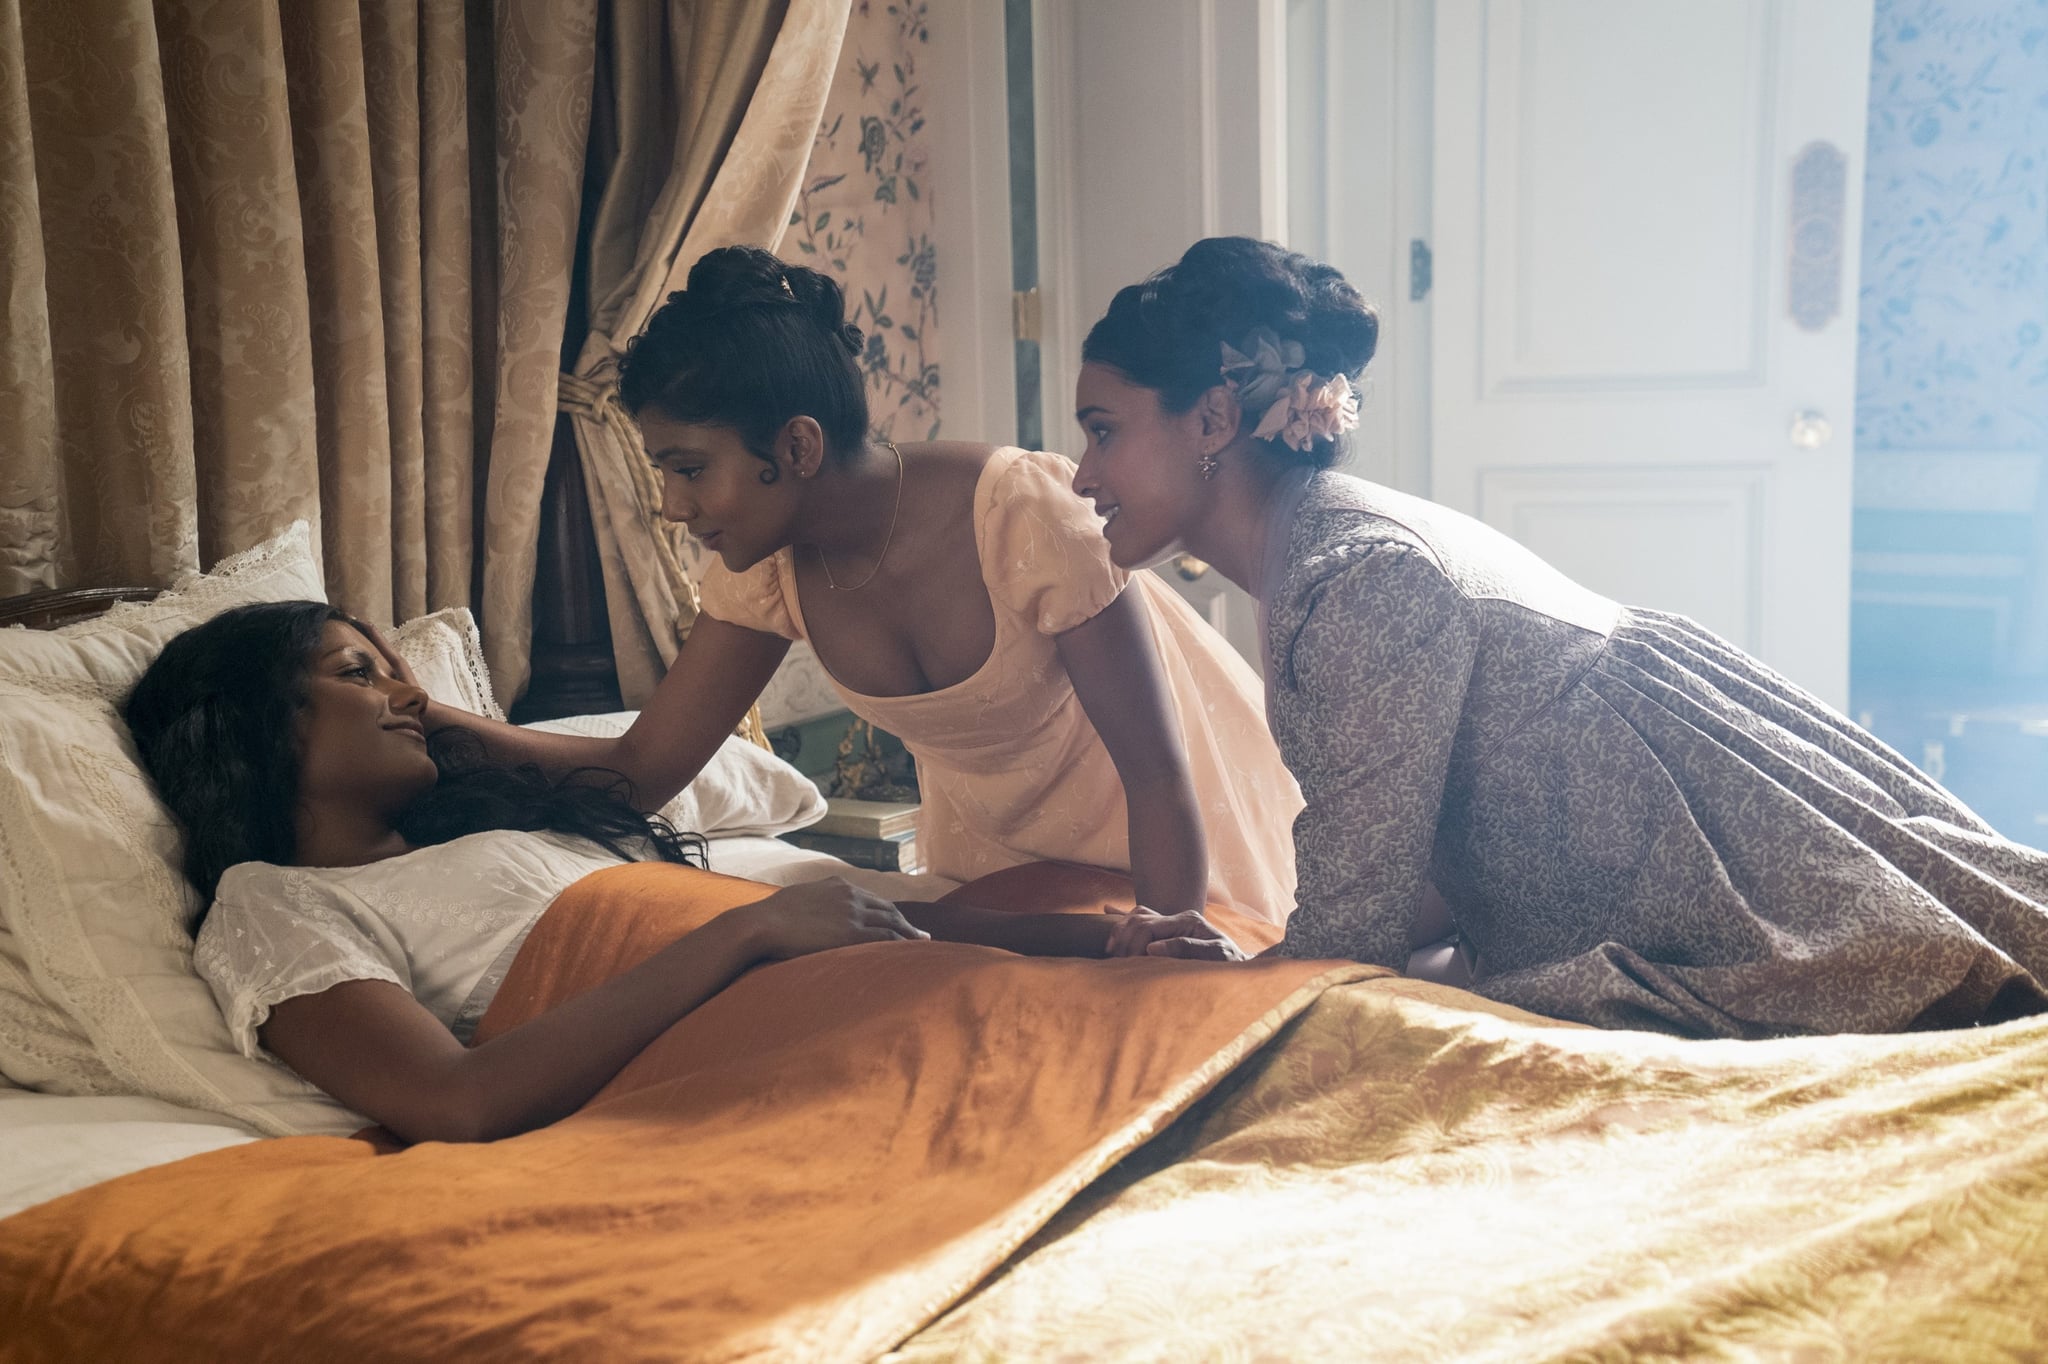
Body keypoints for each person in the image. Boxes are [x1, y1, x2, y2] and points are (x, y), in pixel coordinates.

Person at [1074, 234, 2048, 1039]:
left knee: (1938, 980)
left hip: (1706, 853)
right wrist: (1262, 957)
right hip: (1650, 836)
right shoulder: (1315, 550)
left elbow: (1350, 947)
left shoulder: (1355, 574)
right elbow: (1421, 870)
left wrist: (1257, 971)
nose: (1080, 475)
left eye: (1102, 429)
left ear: (1208, 417)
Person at [414, 246, 1300, 930]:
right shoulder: (764, 572)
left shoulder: (1026, 517)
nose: (673, 507)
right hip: (991, 885)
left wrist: (1161, 947)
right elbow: (641, 771)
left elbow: (1156, 776)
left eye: (690, 468)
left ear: (795, 448)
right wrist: (434, 724)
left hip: (1162, 860)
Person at [124, 603, 1241, 1145]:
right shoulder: (271, 902)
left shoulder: (524, 833)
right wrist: (742, 936)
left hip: (850, 991)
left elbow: (861, 928)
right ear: (252, 726)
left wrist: (1112, 940)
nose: (413, 695)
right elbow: (452, 1100)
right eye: (361, 672)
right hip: (750, 1059)